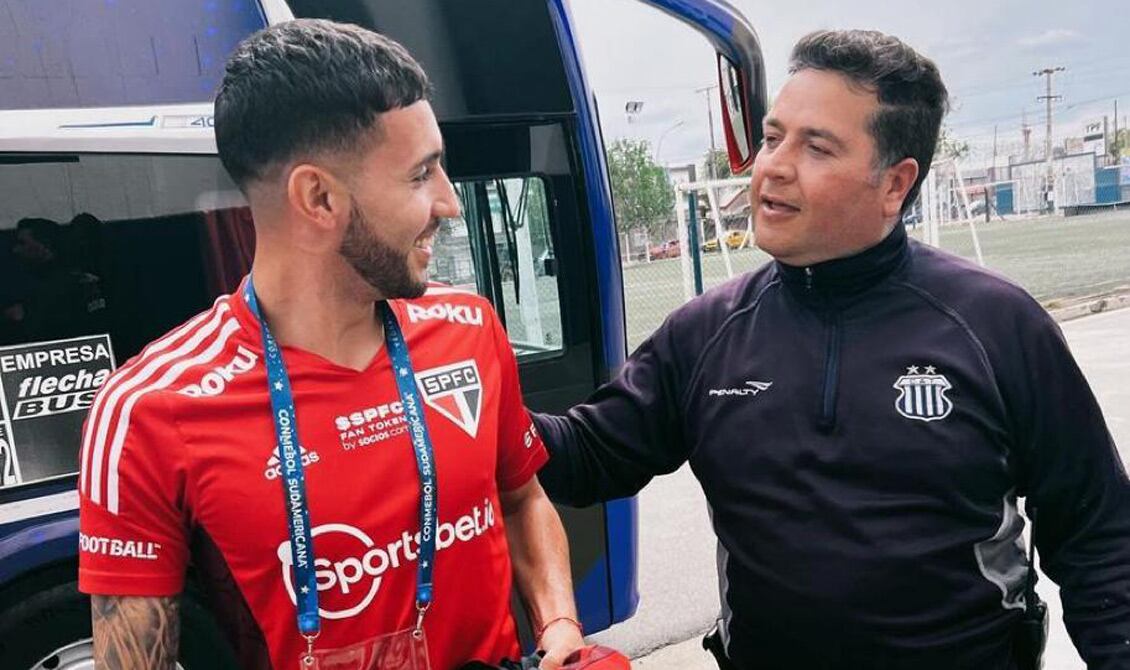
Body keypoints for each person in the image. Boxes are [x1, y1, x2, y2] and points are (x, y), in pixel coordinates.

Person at [534, 30, 1130, 670]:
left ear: (896, 184)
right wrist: (458, 396)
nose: (773, 166)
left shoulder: (997, 326)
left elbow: (1099, 537)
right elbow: (585, 456)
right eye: (771, 138)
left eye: (816, 147)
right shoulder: (707, 332)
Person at [78, 19, 584, 670]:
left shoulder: (470, 329)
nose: (450, 203)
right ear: (317, 197)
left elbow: (522, 498)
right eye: (421, 174)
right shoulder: (146, 411)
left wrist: (560, 623)